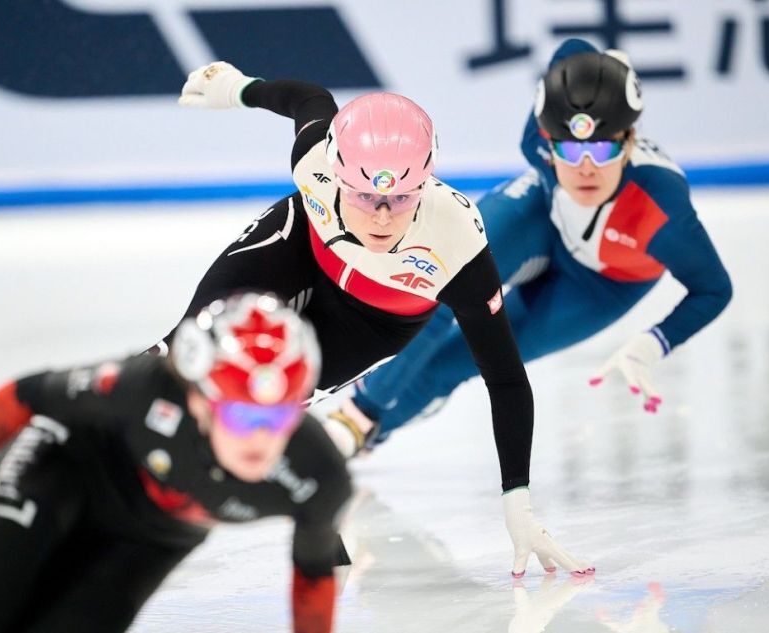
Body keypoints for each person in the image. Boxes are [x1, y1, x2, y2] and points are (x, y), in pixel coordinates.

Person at [157, 60, 591, 578]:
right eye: (365, 195)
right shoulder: (314, 161)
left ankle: (319, 506)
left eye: (401, 198)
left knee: (264, 398)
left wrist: (517, 502)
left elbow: (505, 378)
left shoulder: (457, 244)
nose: (382, 215)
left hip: (373, 321)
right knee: (188, 351)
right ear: (336, 171)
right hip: (298, 249)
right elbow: (308, 96)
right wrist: (237, 89)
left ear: (426, 182)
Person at [330, 38, 733, 447]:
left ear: (629, 141)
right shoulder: (536, 138)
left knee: (459, 361)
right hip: (539, 214)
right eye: (570, 150)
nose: (586, 168)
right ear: (548, 142)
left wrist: (654, 343)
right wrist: (598, 67)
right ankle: (353, 417)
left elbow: (714, 289)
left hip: (602, 283)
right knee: (438, 290)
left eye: (602, 149)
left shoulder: (660, 209)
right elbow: (572, 48)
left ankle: (351, 439)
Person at [0, 293, 351, 633]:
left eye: (281, 415)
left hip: (152, 535)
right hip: (66, 468)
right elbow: (26, 394)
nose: (263, 438)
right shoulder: (145, 389)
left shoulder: (317, 476)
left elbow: (314, 576)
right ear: (199, 400)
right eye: (243, 416)